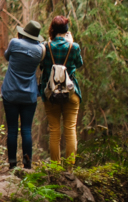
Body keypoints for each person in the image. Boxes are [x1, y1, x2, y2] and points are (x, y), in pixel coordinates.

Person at [1, 20, 45, 170]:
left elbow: (7, 57)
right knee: (26, 129)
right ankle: (27, 164)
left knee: (12, 129)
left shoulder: (14, 43)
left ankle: (12, 164)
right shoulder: (40, 49)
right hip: (29, 95)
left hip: (11, 93)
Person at [40, 15, 84, 163]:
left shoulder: (45, 47)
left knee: (54, 131)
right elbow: (79, 64)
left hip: (51, 94)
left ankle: (55, 169)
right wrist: (70, 43)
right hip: (71, 93)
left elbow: (42, 67)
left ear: (52, 29)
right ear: (66, 30)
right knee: (70, 130)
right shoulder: (74, 46)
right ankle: (69, 171)